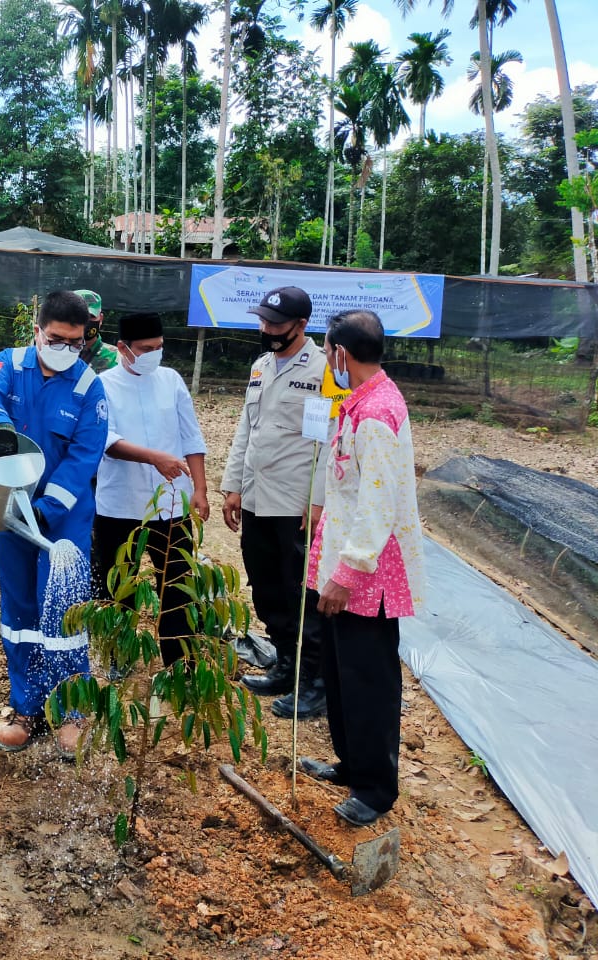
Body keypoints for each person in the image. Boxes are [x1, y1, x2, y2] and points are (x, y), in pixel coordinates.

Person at [0, 290, 108, 754]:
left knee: (65, 612)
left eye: (75, 342)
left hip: (62, 521)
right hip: (11, 511)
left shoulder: (89, 387)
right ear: (37, 330)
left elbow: (85, 457)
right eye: (56, 339)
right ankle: (26, 707)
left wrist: (47, 508)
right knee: (21, 611)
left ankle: (70, 711)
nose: (65, 349)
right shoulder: (8, 364)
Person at [300, 309, 424, 828]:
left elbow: (377, 506)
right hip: (347, 562)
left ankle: (375, 789)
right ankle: (352, 763)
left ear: (339, 355)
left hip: (366, 579)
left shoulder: (376, 415)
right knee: (342, 672)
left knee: (368, 679)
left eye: (329, 354)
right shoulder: (361, 402)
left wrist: (344, 574)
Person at [220, 286, 330, 719]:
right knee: (266, 587)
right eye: (263, 321)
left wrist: (317, 501)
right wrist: (233, 485)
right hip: (257, 497)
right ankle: (286, 664)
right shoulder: (261, 367)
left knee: (301, 590)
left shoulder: (324, 371)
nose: (267, 330)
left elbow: (329, 442)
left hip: (295, 502)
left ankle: (315, 682)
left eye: (276, 324)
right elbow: (247, 430)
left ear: (301, 325)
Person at [93, 312, 208, 666]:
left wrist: (200, 489)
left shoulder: (171, 380)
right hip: (118, 504)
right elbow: (106, 440)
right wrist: (153, 457)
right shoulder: (101, 383)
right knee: (118, 586)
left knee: (177, 585)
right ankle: (119, 657)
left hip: (170, 503)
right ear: (123, 348)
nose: (154, 355)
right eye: (146, 349)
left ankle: (181, 661)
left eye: (159, 347)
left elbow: (191, 434)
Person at [75, 289, 118, 373]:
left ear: (101, 319)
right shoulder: (55, 352)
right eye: (78, 316)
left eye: (91, 316)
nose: (85, 321)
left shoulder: (116, 358)